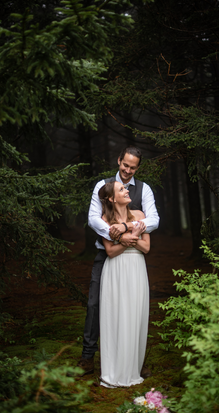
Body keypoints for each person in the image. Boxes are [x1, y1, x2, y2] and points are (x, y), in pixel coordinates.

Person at [76, 146, 160, 376]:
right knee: (95, 304)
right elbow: (94, 219)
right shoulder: (102, 186)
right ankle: (88, 356)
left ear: (138, 168)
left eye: (133, 168)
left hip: (134, 259)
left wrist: (126, 226)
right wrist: (117, 235)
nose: (128, 171)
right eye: (125, 165)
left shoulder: (144, 190)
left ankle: (135, 360)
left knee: (133, 306)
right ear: (119, 161)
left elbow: (154, 220)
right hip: (107, 253)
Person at [97, 181, 150, 388]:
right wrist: (129, 240)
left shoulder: (140, 215)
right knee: (116, 316)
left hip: (136, 268)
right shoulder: (104, 220)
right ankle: (113, 371)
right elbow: (110, 251)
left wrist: (133, 238)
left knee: (135, 315)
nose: (127, 191)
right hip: (115, 270)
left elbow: (146, 248)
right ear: (112, 199)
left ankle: (132, 369)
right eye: (122, 189)